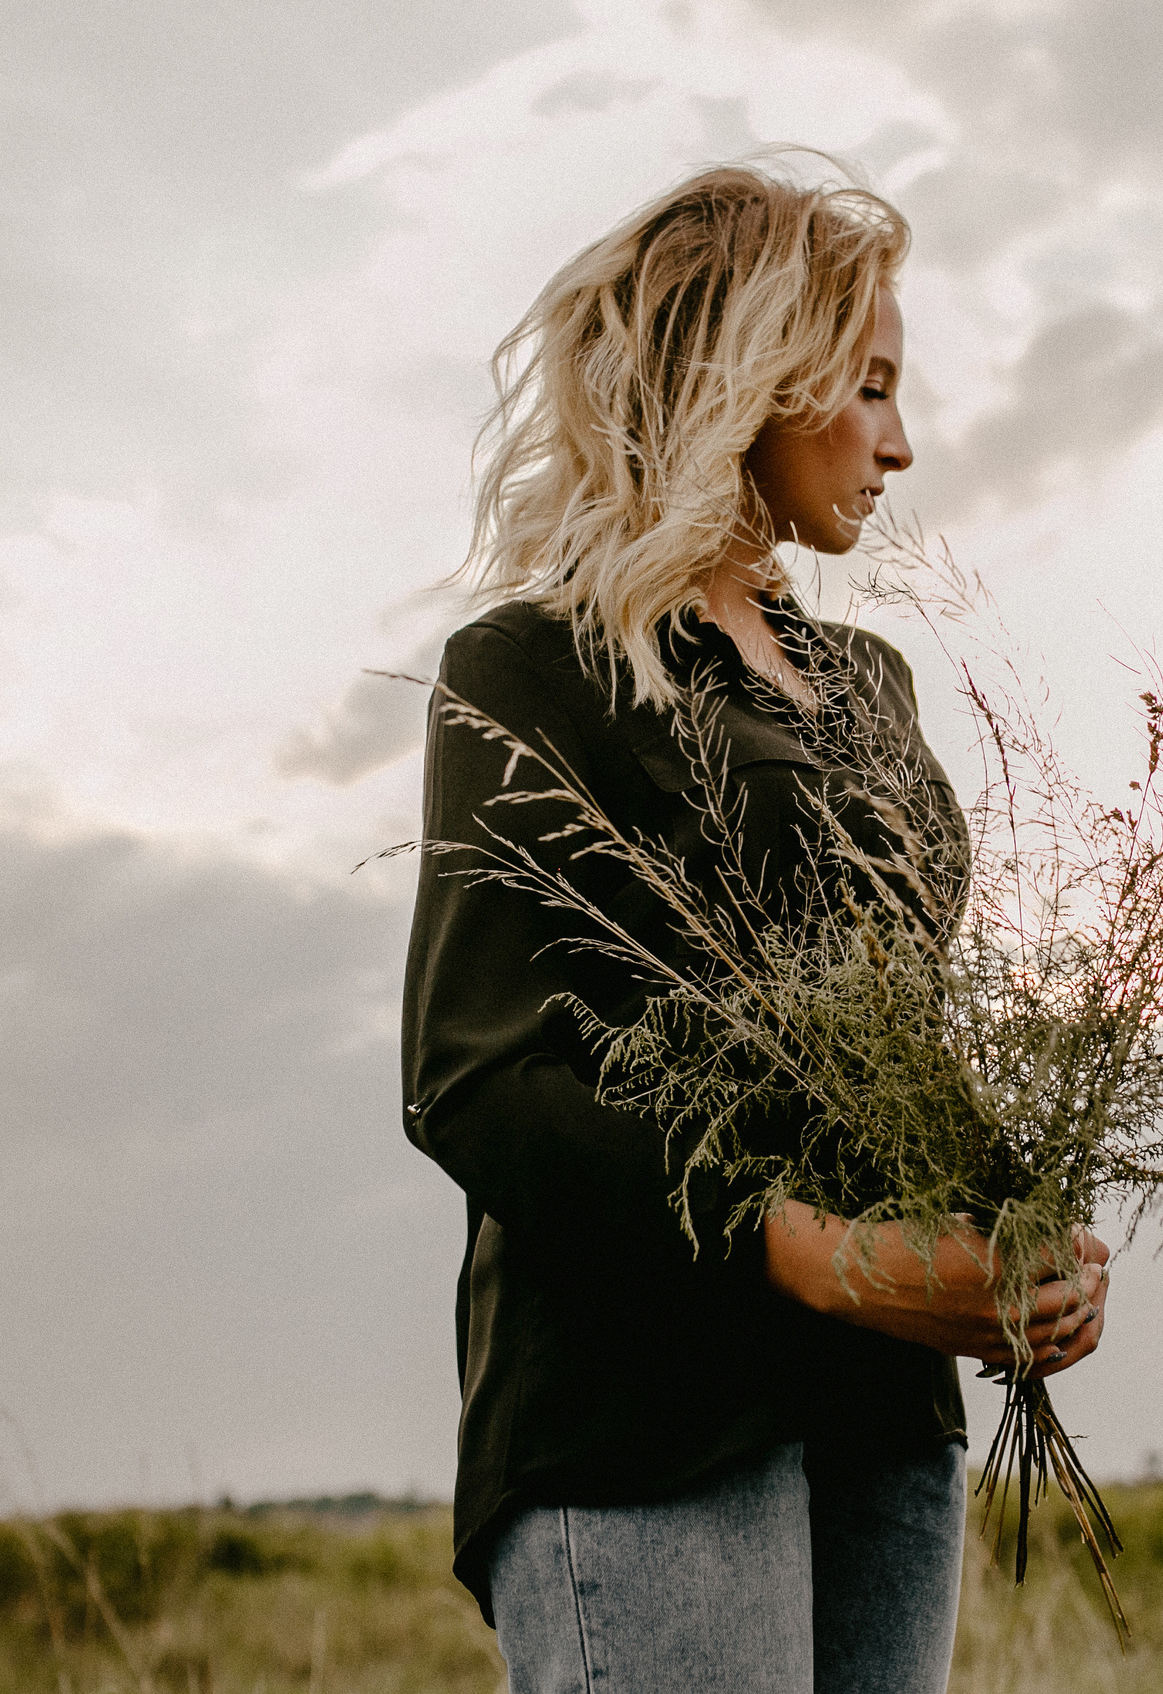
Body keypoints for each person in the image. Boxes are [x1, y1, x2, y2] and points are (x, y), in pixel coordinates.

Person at [401, 158, 1110, 1694]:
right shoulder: (531, 670)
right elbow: (476, 1081)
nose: (901, 442)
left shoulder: (873, 692)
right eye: (867, 386)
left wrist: (1016, 1245)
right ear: (749, 379)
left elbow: (888, 1055)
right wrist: (812, 1256)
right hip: (644, 1423)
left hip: (884, 1423)